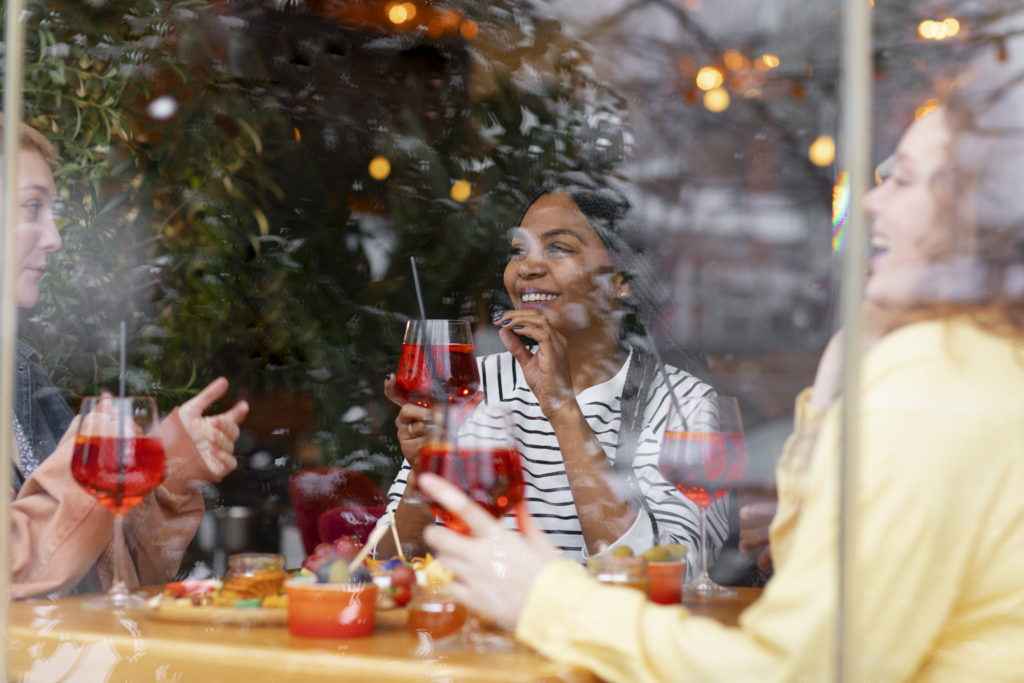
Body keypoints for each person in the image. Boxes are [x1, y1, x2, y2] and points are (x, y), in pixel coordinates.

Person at [417, 50, 1024, 682]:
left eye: (901, 180)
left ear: (979, 216)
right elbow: (810, 582)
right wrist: (830, 396)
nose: (870, 205)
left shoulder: (930, 387)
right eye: (520, 251)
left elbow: (776, 655)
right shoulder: (979, 366)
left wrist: (544, 602)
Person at [379, 180, 727, 563]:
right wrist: (423, 474)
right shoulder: (470, 387)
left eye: (558, 247)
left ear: (621, 282)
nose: (527, 267)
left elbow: (677, 571)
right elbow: (386, 562)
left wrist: (562, 408)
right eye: (518, 251)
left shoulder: (683, 405)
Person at [4, 122, 250, 598]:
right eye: (33, 207)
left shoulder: (20, 374)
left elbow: (107, 571)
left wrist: (170, 462)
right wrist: (88, 466)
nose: (54, 238)